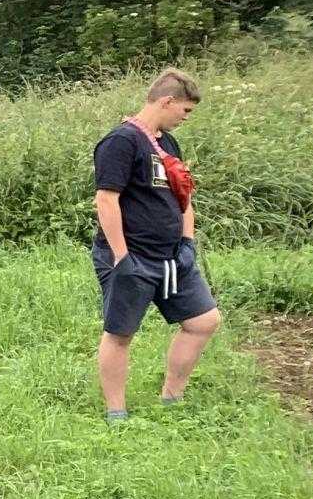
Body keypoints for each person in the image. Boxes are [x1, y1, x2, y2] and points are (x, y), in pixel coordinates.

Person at [91, 68, 220, 421]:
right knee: (120, 333)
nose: (185, 118)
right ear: (167, 101)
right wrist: (122, 258)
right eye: (186, 111)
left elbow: (184, 197)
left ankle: (172, 399)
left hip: (171, 257)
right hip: (131, 256)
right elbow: (106, 200)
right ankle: (116, 412)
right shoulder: (121, 141)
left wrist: (187, 242)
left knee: (203, 320)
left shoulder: (166, 142)